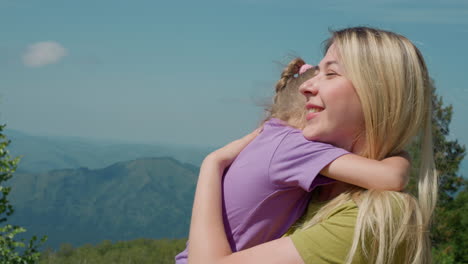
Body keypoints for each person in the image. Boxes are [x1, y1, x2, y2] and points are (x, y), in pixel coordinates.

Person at [187, 27, 437, 264]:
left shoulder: (375, 217)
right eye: (316, 72)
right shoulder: (314, 189)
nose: (305, 86)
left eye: (331, 73)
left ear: (376, 94)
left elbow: (391, 177)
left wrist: (212, 164)